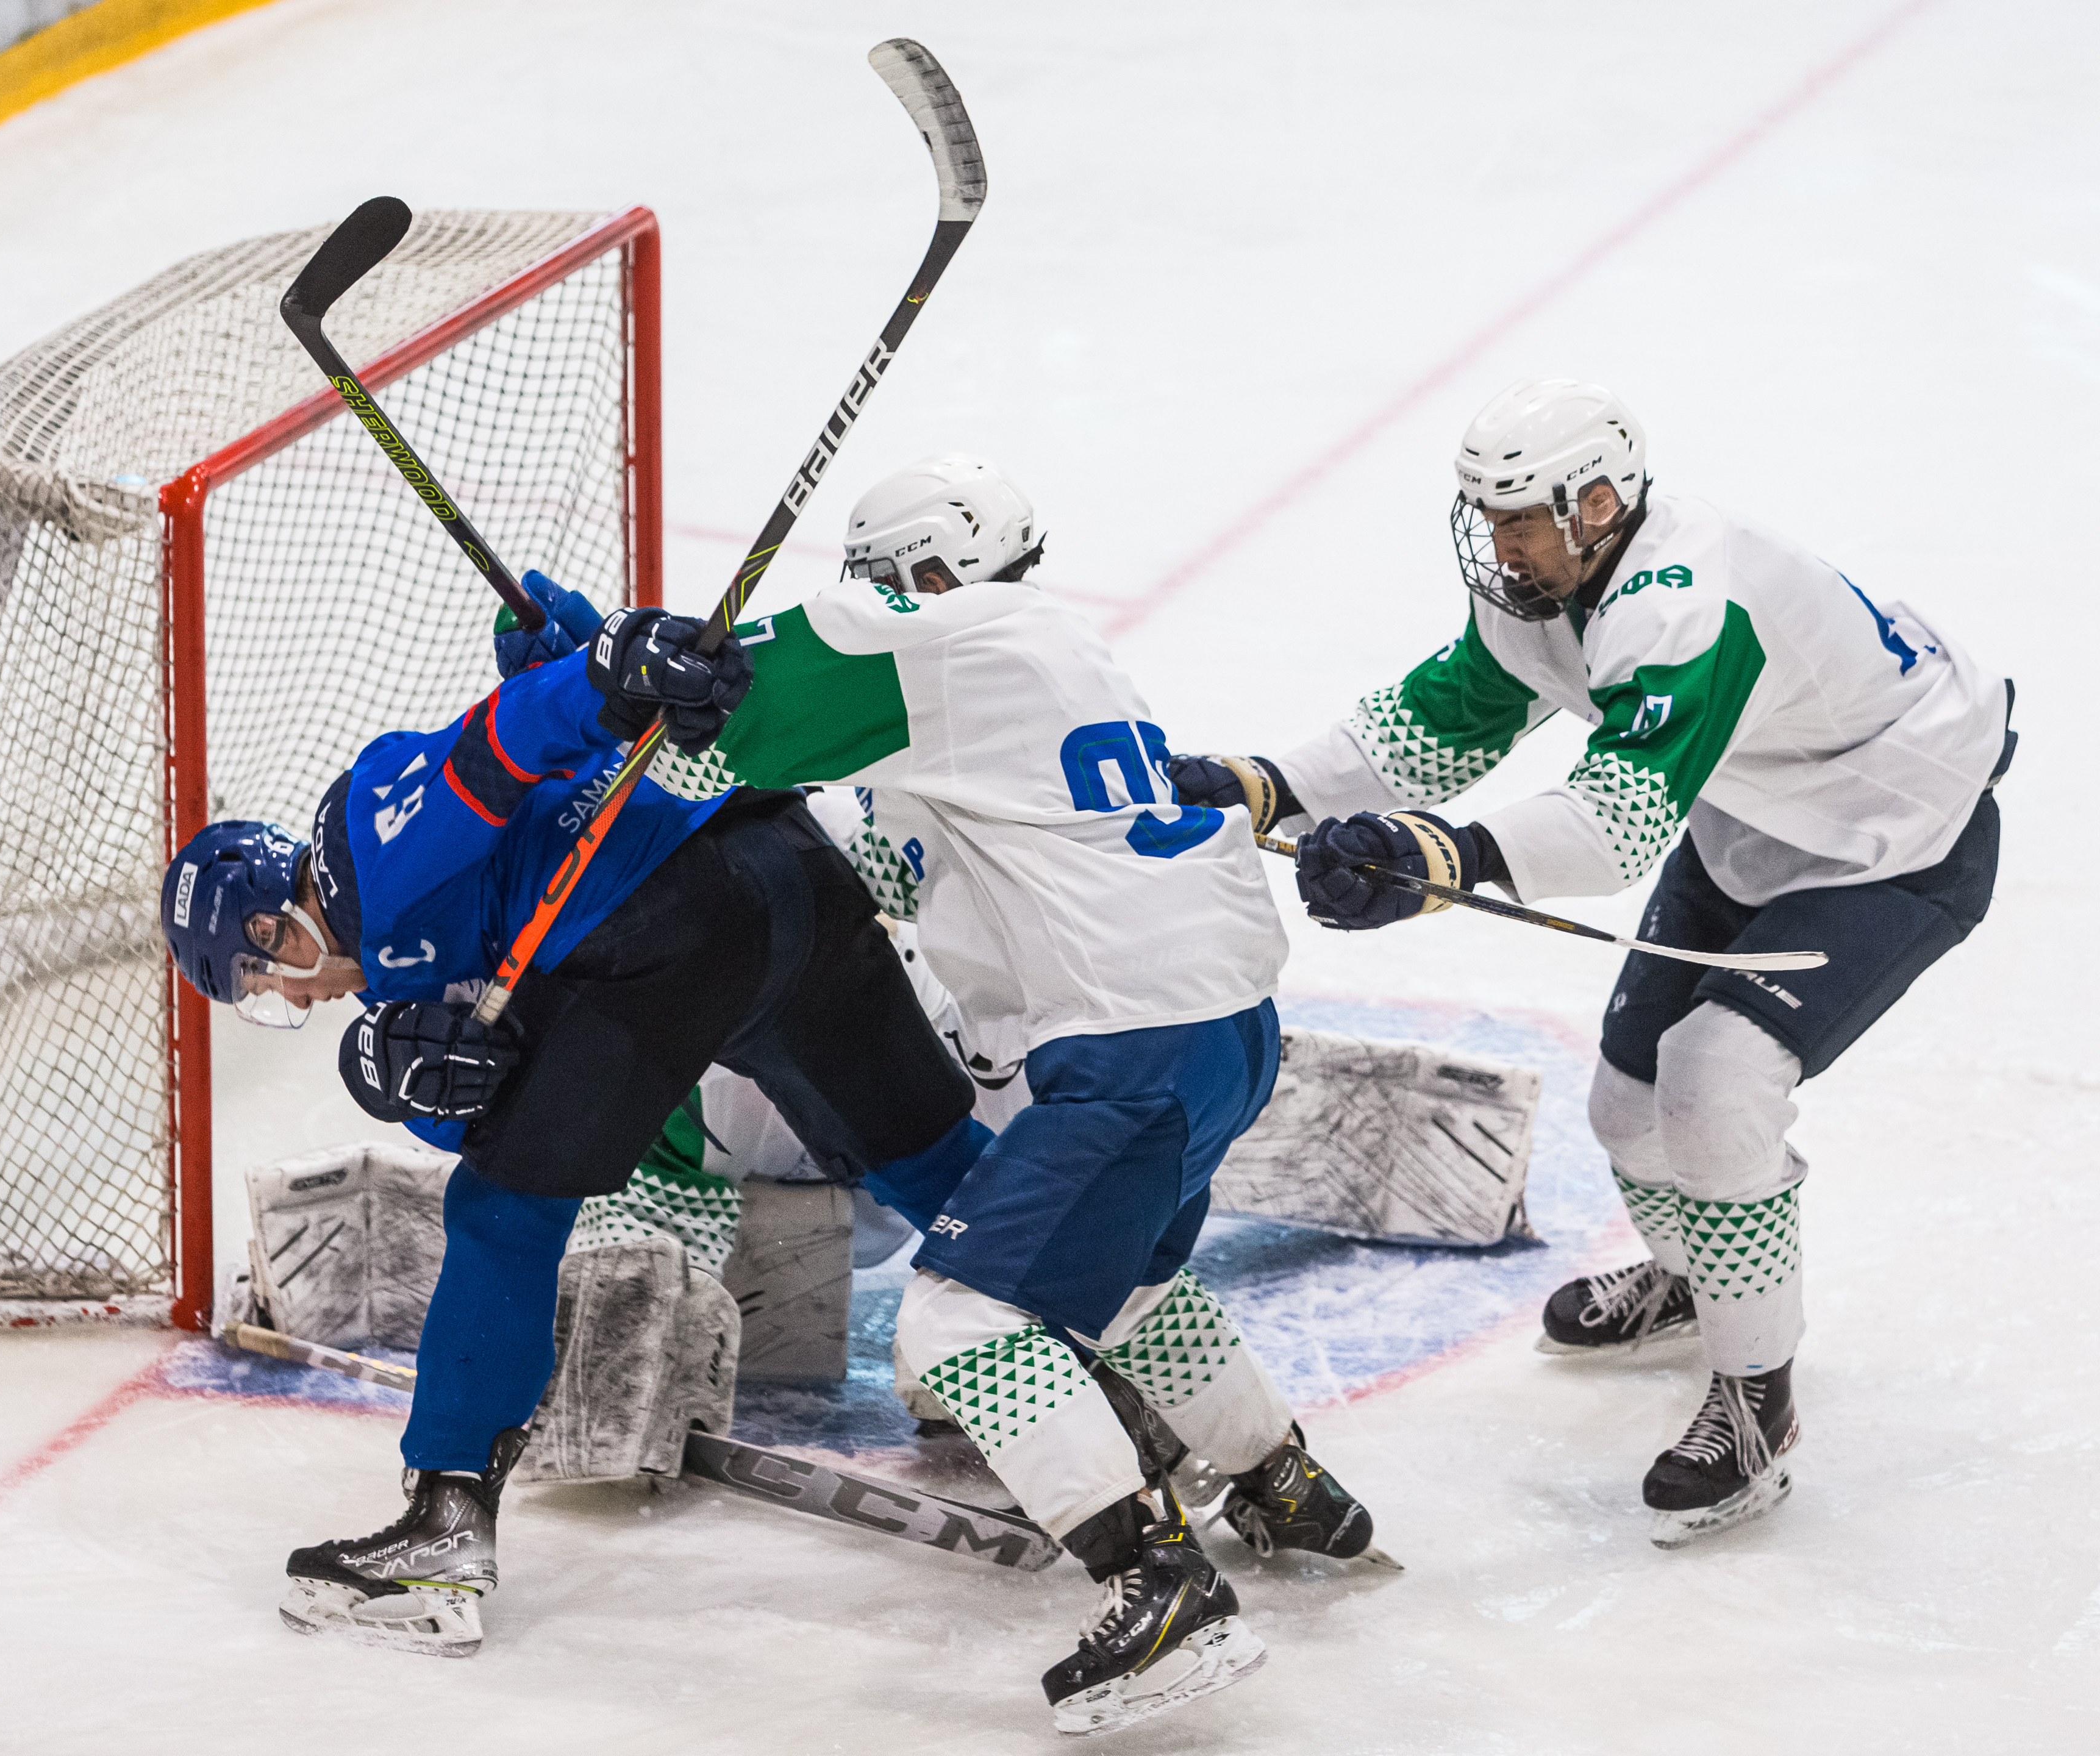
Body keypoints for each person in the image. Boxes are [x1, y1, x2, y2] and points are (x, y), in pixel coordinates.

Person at [1171, 379, 2011, 1547]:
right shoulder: (1545, 579)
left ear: (1602, 501)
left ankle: (1758, 1396)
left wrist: (1445, 854)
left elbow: (1617, 820)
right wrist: (1275, 784)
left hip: (1890, 835)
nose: (1498, 542)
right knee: (1628, 1106)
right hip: (1746, 820)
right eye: (1485, 514)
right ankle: (1694, 1276)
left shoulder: (1686, 602)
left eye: (1520, 516)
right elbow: (1442, 716)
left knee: (1717, 1083)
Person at [658, 454, 1374, 1736]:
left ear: (929, 577)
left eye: (889, 584)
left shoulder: (958, 642)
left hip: (1128, 1053)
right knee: (1132, 1292)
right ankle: (1280, 1484)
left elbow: (751, 704)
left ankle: (1155, 1586)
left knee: (949, 1325)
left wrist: (633, 671)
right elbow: (868, 836)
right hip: (1220, 1035)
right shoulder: (1031, 673)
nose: (879, 603)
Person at [160, 571, 981, 1655]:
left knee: (504, 1213)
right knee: (936, 1163)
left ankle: (443, 1529)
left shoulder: (365, 834)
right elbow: (501, 1090)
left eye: (266, 983)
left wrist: (595, 678)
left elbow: (492, 751)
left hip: (675, 928)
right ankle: (1126, 1389)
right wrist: (418, 1095)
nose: (292, 1001)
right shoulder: (402, 976)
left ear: (269, 928)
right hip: (794, 886)